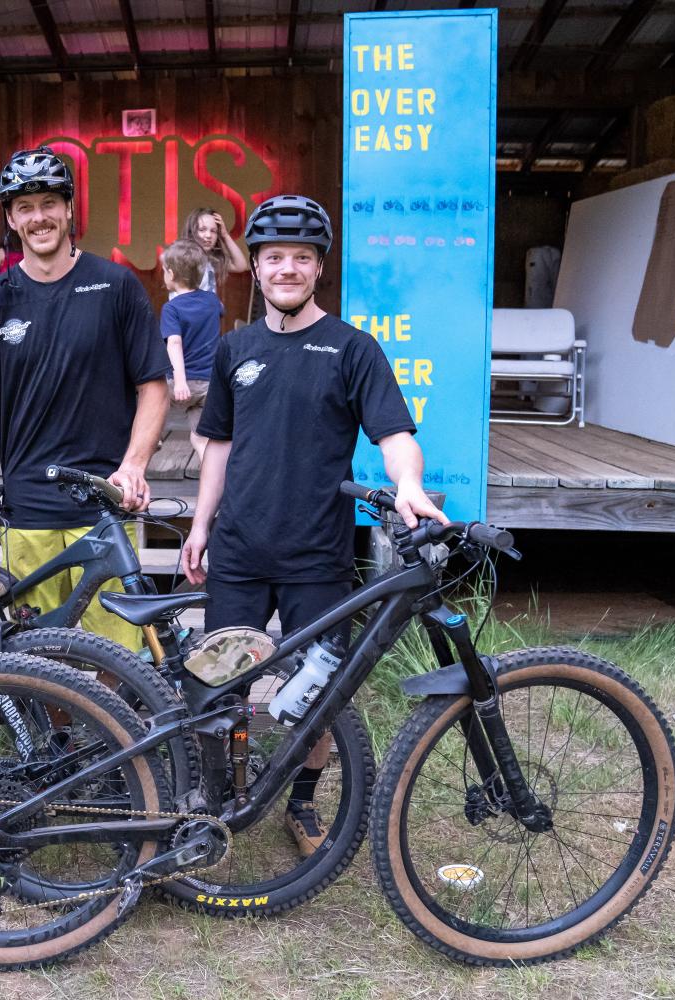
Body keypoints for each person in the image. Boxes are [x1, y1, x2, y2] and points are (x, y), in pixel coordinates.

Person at [179, 194, 446, 856]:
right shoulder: (236, 347)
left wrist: (408, 483)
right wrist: (200, 525)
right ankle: (223, 799)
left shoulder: (352, 349)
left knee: (321, 690)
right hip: (239, 549)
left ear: (318, 267)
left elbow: (395, 434)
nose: (287, 269)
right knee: (221, 686)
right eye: (275, 258)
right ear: (259, 268)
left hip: (318, 555)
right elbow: (217, 447)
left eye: (301, 257)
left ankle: (301, 802)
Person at [0, 146, 170, 651]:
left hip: (105, 504)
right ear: (11, 218)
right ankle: (59, 736)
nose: (39, 216)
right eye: (24, 207)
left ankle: (113, 735)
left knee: (118, 656)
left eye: (49, 202)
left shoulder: (115, 285)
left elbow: (153, 385)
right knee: (41, 657)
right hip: (26, 511)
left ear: (69, 210)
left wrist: (134, 467)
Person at [160, 238, 224, 462]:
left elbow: (174, 344)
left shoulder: (171, 308)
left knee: (149, 398)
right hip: (209, 384)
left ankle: (151, 437)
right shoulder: (213, 302)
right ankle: (217, 478)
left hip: (182, 383)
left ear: (171, 274)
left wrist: (179, 381)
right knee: (200, 439)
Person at [179, 205, 248, 293]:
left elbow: (240, 265)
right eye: (202, 230)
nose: (208, 235)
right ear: (191, 232)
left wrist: (225, 235)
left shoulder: (211, 259)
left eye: (213, 231)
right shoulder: (183, 260)